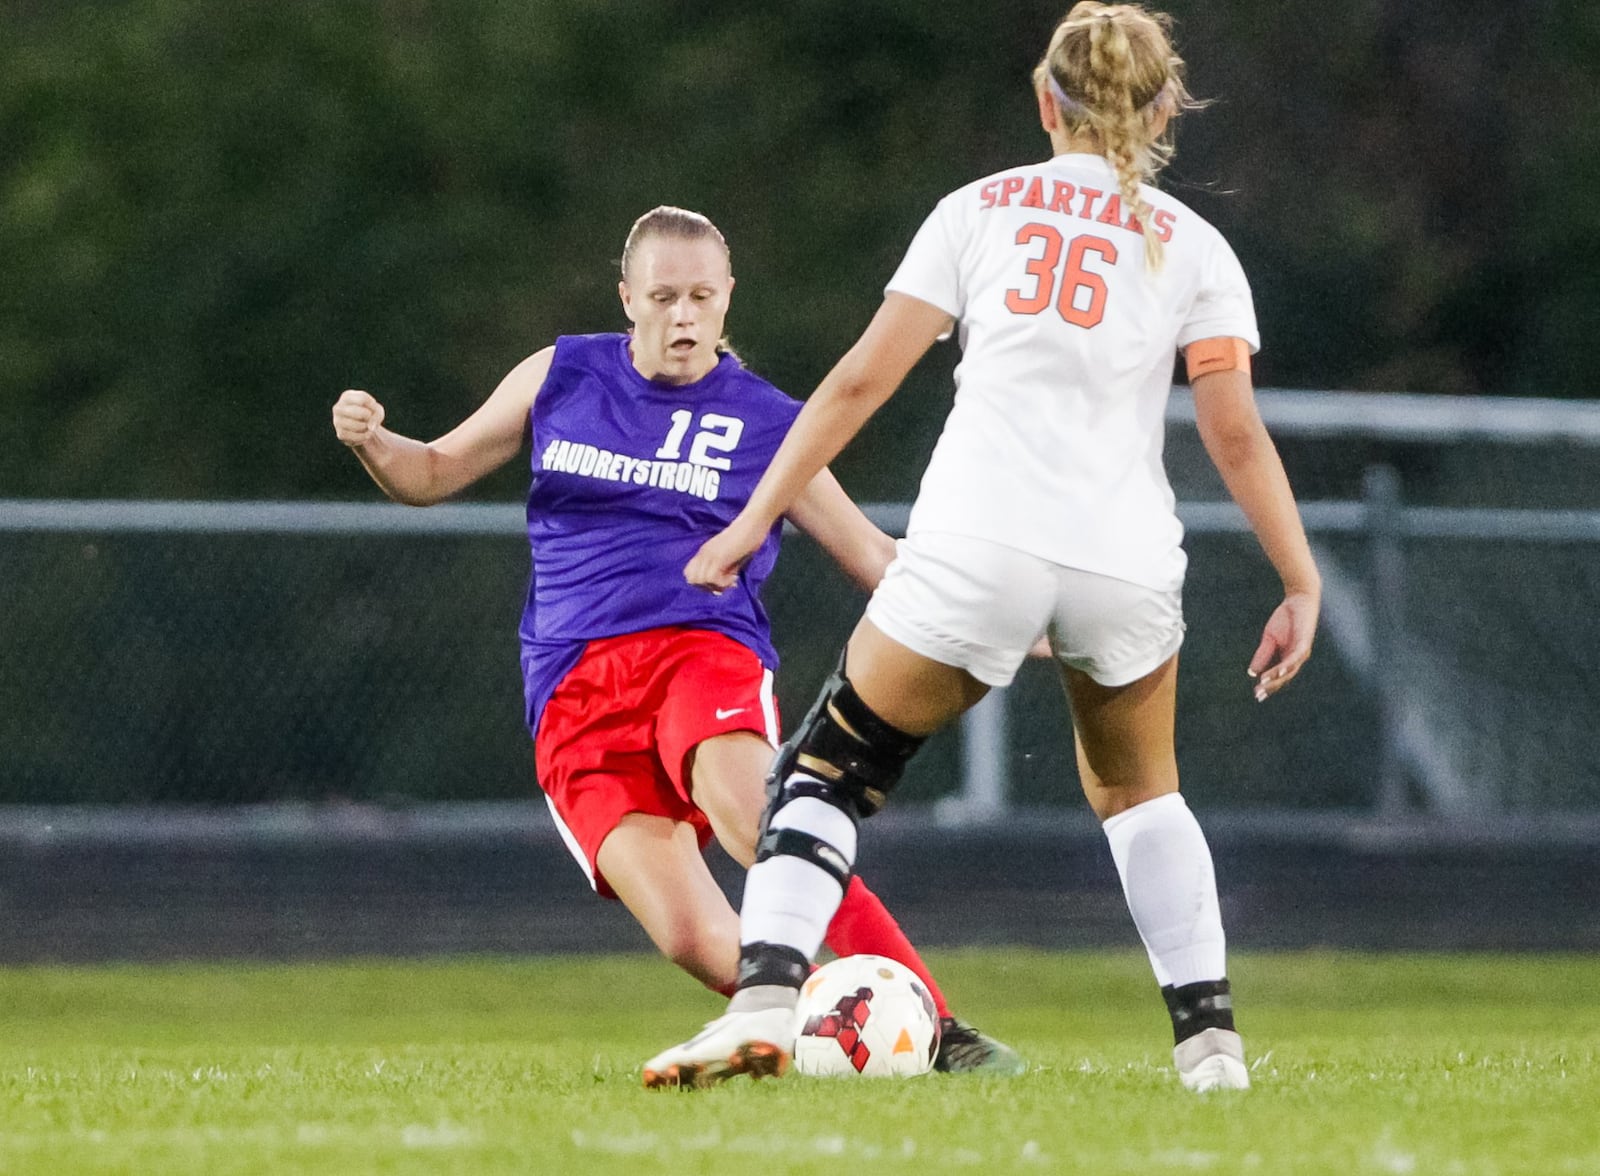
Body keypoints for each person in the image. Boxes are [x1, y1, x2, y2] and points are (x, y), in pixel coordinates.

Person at [644, 2, 1320, 1093]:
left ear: (1044, 100)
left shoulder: (978, 210)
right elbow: (1232, 431)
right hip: (1121, 560)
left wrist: (751, 516)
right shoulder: (1196, 247)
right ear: (1161, 108)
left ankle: (765, 998)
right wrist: (1297, 575)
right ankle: (1210, 1052)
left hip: (977, 542)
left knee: (829, 768)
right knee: (1143, 796)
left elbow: (863, 377)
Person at [331, 205, 1023, 1076]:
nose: (684, 315)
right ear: (627, 298)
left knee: (752, 814)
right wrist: (375, 441)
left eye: (702, 295)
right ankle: (837, 1029)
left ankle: (940, 1031)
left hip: (700, 648)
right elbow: (430, 473)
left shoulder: (769, 421)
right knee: (693, 935)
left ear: (729, 298)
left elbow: (872, 555)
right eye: (664, 296)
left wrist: (994, 610)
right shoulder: (563, 375)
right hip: (571, 685)